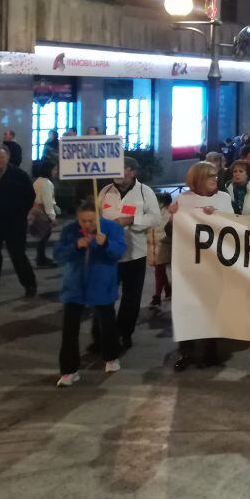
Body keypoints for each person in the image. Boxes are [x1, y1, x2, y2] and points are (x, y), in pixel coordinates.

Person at [55, 200, 126, 387]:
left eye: (91, 221)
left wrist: (105, 244)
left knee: (107, 325)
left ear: (99, 217)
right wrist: (75, 246)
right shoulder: (70, 230)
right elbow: (58, 255)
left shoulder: (111, 229)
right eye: (83, 221)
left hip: (101, 284)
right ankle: (69, 370)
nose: (87, 225)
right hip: (75, 286)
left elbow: (119, 251)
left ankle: (111, 357)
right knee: (69, 330)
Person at [171, 161, 233, 371]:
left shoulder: (224, 198)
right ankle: (186, 352)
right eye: (210, 176)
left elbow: (234, 229)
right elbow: (173, 233)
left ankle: (210, 351)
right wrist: (172, 218)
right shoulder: (183, 199)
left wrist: (218, 216)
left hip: (214, 264)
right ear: (197, 179)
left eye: (216, 175)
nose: (215, 179)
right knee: (187, 308)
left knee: (212, 308)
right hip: (188, 265)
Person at [97, 157, 162, 352]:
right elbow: (96, 215)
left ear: (132, 171)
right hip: (109, 252)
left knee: (131, 297)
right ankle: (105, 333)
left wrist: (132, 220)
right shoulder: (105, 191)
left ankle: (125, 332)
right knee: (105, 294)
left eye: (122, 169)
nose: (117, 173)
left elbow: (155, 218)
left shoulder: (144, 191)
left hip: (135, 253)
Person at [0, 145, 37, 305]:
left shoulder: (19, 175)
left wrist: (20, 213)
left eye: (1, 157)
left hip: (14, 222)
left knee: (18, 254)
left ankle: (29, 284)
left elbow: (30, 196)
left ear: (8, 158)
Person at [30, 161, 59, 268]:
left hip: (36, 210)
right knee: (44, 236)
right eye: (54, 169)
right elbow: (48, 202)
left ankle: (41, 257)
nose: (56, 172)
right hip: (42, 212)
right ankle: (41, 259)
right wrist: (52, 217)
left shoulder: (37, 181)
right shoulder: (46, 183)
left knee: (42, 236)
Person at [148, 191, 173, 309]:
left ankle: (157, 297)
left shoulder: (169, 214)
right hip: (153, 247)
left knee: (159, 271)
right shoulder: (150, 213)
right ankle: (168, 289)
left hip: (163, 246)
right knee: (160, 271)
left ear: (162, 203)